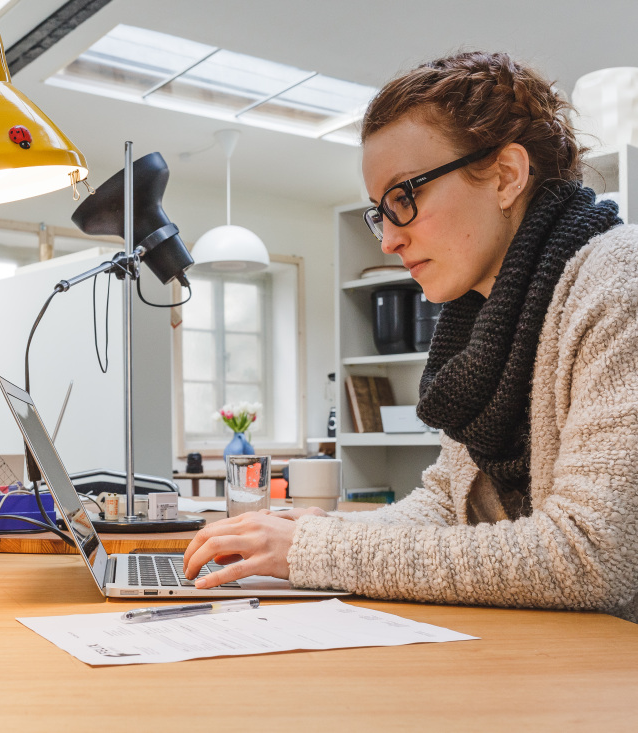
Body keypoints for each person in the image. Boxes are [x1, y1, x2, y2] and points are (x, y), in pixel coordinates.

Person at [184, 51, 638, 622]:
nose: (388, 241)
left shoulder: (619, 280)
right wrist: (331, 528)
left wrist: (320, 549)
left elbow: (595, 555)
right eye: (381, 212)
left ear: (505, 176)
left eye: (405, 197)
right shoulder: (486, 318)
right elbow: (448, 503)